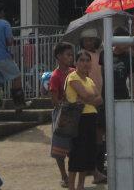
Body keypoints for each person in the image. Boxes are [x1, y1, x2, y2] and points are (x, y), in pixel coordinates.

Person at [65, 51, 103, 190]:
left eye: (87, 60)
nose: (85, 63)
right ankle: (71, 186)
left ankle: (80, 185)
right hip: (78, 119)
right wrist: (91, 98)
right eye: (82, 60)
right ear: (76, 63)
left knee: (87, 152)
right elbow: (87, 95)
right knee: (76, 153)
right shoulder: (72, 77)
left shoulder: (89, 80)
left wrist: (88, 99)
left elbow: (100, 99)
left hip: (91, 118)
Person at [48, 43, 76, 188]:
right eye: (68, 55)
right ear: (59, 56)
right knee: (59, 148)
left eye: (71, 55)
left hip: (75, 114)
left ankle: (71, 176)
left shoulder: (74, 72)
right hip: (62, 115)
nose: (71, 58)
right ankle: (64, 176)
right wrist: (66, 105)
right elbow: (55, 101)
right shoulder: (55, 76)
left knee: (73, 147)